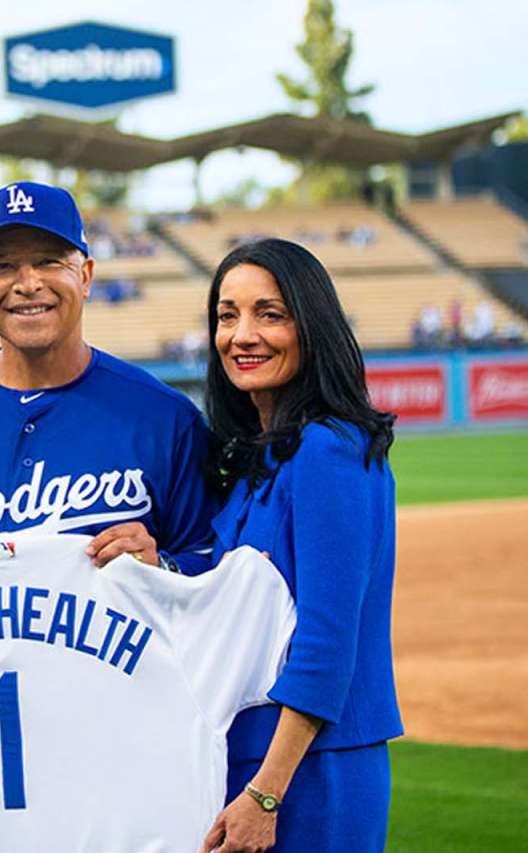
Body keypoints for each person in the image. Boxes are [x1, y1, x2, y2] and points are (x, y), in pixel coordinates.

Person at [0, 182, 216, 574]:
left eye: (48, 261)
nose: (27, 284)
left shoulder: (166, 417)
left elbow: (209, 566)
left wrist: (163, 566)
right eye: (2, 266)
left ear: (86, 276)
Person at [199, 238, 402, 852]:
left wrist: (266, 792)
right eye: (227, 315)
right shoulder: (261, 458)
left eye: (270, 313)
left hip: (311, 768)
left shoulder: (328, 449)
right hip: (249, 757)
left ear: (310, 325)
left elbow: (326, 638)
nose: (242, 335)